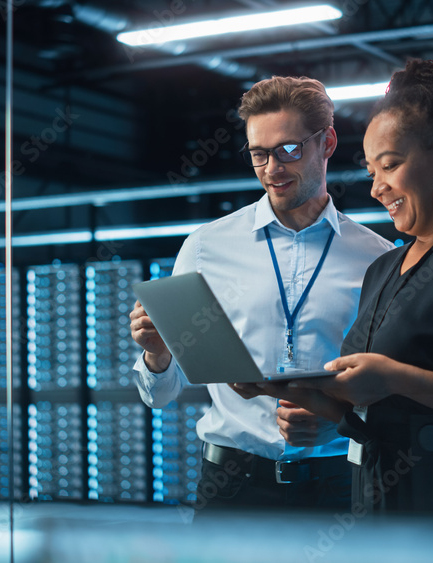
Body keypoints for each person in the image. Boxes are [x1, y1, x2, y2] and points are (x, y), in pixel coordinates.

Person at [234, 59, 433, 518]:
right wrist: (298, 396)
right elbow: (378, 413)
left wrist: (395, 376)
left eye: (390, 165)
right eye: (371, 171)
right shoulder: (385, 267)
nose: (377, 188)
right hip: (378, 514)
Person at [130, 76, 395, 511]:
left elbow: (394, 388)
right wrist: (157, 356)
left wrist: (340, 422)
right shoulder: (204, 248)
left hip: (339, 487)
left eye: (289, 150)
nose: (272, 168)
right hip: (230, 489)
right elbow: (159, 394)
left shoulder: (379, 258)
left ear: (326, 143)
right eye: (258, 154)